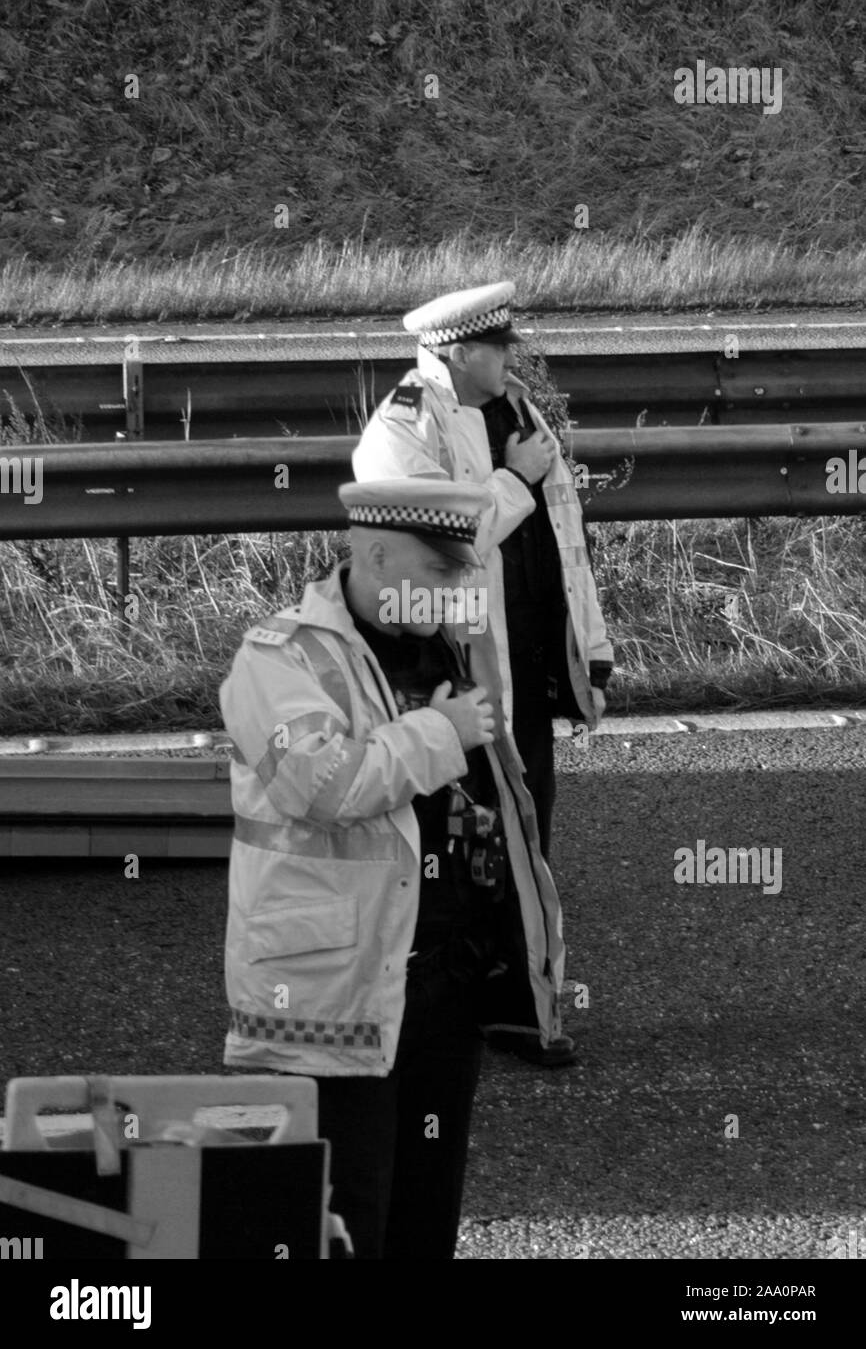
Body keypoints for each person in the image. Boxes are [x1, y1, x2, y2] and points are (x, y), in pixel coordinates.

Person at [219, 477, 568, 1260]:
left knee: (422, 1226)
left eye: (464, 572)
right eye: (442, 572)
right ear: (374, 552)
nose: (460, 589)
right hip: (329, 1002)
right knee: (342, 1232)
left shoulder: (451, 643)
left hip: (442, 991)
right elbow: (321, 785)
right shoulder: (277, 658)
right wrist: (440, 732)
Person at [352, 281, 614, 870]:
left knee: (526, 811)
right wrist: (515, 479)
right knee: (456, 813)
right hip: (445, 657)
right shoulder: (402, 423)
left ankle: (526, 941)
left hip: (524, 653)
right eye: (498, 347)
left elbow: (566, 540)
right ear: (460, 352)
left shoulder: (515, 408)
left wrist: (590, 649)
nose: (511, 357)